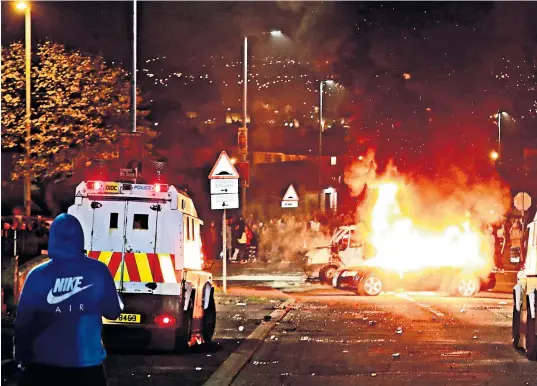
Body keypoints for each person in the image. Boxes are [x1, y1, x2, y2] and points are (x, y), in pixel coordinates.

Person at [14, 213, 123, 386]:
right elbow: (113, 312)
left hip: (42, 368)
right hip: (86, 370)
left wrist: (20, 355)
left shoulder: (37, 275)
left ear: (53, 239)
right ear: (80, 239)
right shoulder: (98, 271)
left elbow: (22, 323)